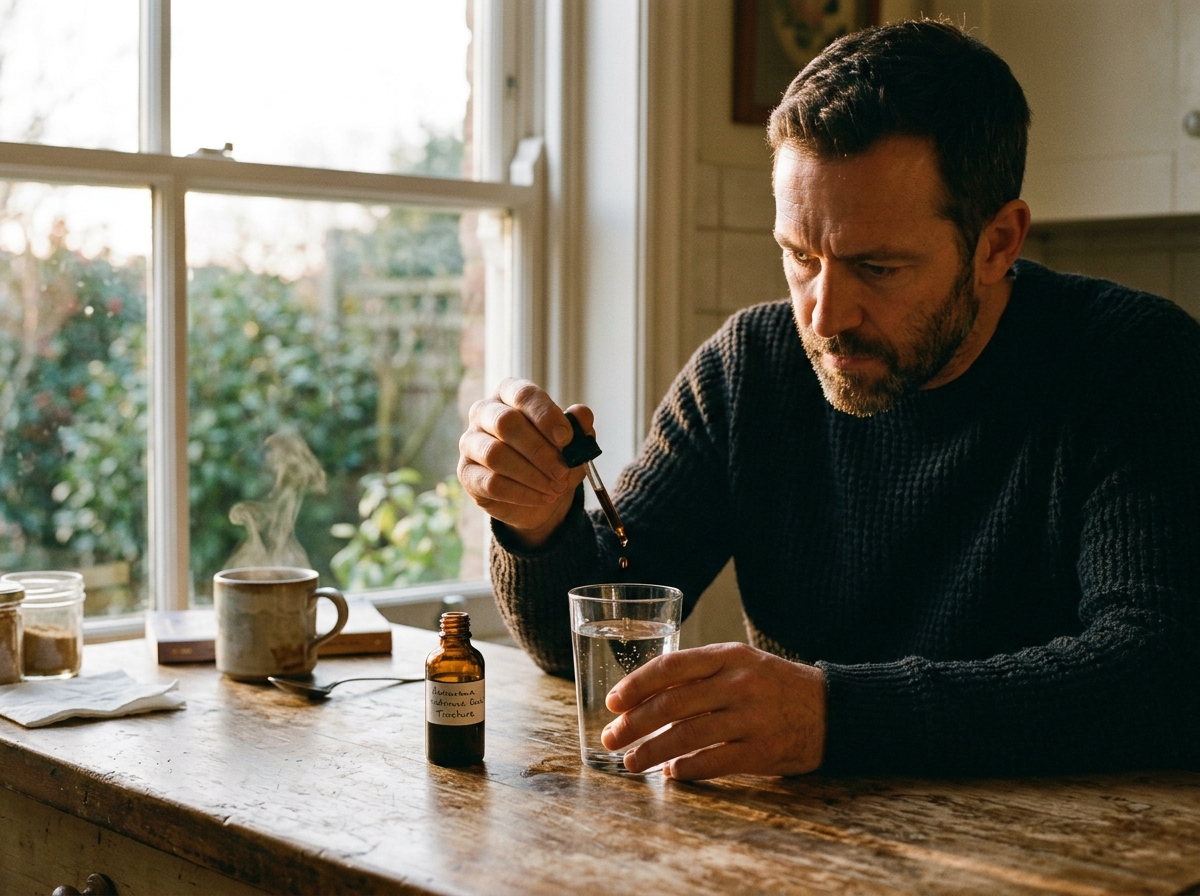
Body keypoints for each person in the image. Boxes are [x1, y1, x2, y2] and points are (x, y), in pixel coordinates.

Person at [457, 19, 1200, 780]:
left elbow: (1165, 674)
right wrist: (538, 524)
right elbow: (592, 647)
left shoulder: (1135, 363)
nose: (823, 315)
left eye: (876, 268)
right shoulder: (749, 370)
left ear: (998, 243)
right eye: (800, 257)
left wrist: (834, 714)